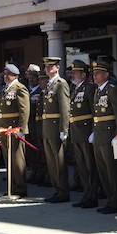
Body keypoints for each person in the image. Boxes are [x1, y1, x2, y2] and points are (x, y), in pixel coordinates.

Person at [91, 60, 117, 214]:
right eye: (94, 73)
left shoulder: (112, 90)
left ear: (106, 74)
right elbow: (96, 114)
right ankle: (110, 198)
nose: (95, 75)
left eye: (98, 73)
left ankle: (116, 201)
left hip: (109, 133)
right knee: (103, 170)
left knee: (112, 170)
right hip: (99, 133)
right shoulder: (98, 90)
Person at [0, 64, 31, 198]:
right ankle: (12, 187)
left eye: (8, 74)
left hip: (15, 129)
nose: (6, 76)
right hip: (5, 129)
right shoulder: (6, 89)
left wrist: (22, 129)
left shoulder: (20, 88)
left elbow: (24, 110)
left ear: (15, 75)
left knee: (17, 161)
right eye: (5, 74)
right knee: (8, 160)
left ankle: (20, 188)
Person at [69, 60, 98, 209]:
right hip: (76, 131)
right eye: (72, 72)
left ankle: (92, 196)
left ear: (84, 75)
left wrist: (94, 131)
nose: (73, 74)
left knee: (89, 166)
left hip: (86, 131)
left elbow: (94, 111)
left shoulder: (89, 88)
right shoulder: (75, 88)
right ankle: (86, 194)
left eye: (75, 72)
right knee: (81, 166)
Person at [41, 57, 71, 203]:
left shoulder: (61, 84)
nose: (48, 68)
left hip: (55, 126)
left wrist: (64, 129)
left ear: (57, 67)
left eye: (51, 66)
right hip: (47, 127)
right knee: (51, 161)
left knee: (58, 160)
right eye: (46, 66)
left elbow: (65, 108)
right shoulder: (49, 84)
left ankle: (63, 191)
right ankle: (57, 189)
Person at [25, 64, 47, 186]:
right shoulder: (27, 90)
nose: (31, 80)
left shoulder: (41, 91)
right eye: (29, 76)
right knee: (31, 151)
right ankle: (34, 171)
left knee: (40, 150)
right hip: (30, 124)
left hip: (39, 124)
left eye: (33, 77)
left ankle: (42, 174)